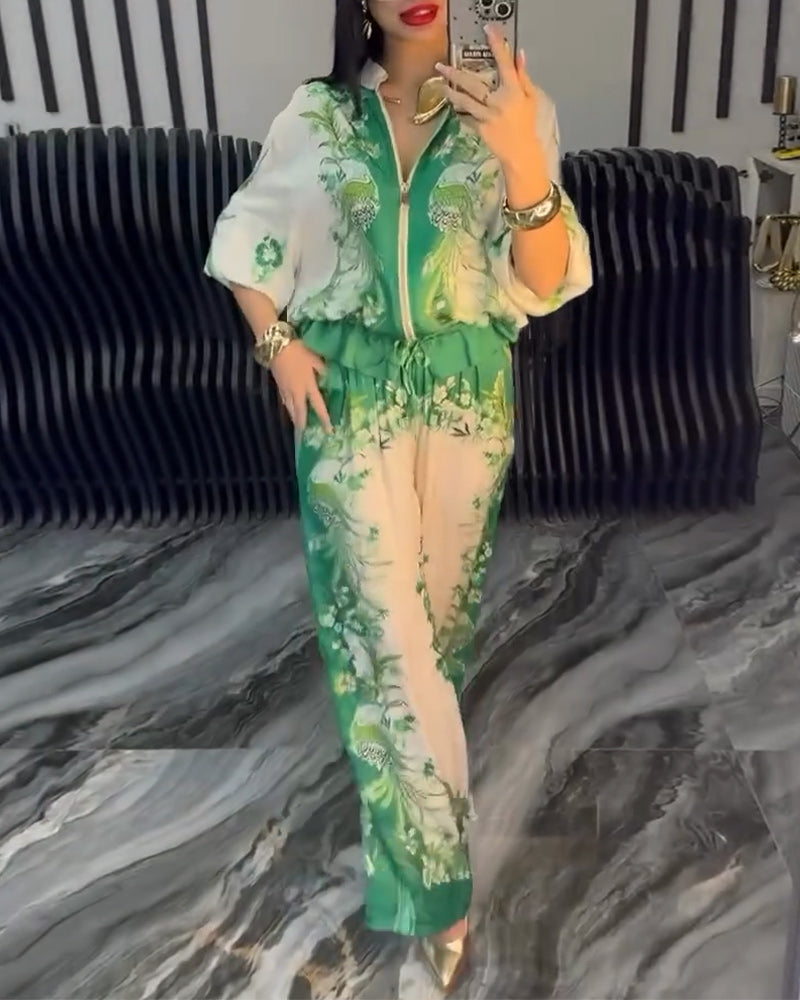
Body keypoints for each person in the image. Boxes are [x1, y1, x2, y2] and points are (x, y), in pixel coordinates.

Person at [205, 0, 592, 990]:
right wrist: (276, 345)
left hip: (467, 403)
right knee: (386, 638)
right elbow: (247, 237)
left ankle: (416, 813)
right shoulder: (319, 116)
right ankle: (435, 885)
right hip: (350, 403)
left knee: (436, 639)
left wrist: (521, 158)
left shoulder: (515, 109)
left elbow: (546, 280)